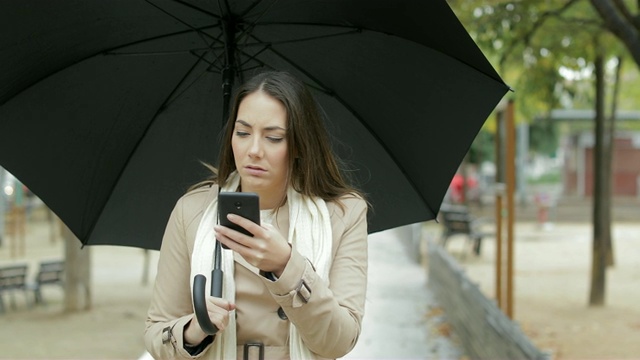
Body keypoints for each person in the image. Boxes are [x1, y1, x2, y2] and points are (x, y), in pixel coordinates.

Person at [144, 71, 369, 359]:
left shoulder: (343, 213)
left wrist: (286, 266)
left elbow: (339, 341)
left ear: (300, 144)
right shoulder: (193, 210)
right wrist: (195, 328)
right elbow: (156, 332)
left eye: (273, 137)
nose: (253, 150)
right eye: (242, 133)